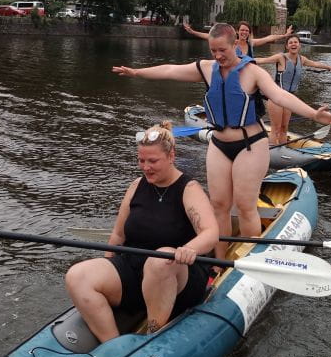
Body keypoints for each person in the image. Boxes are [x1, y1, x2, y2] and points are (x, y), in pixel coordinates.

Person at [113, 23, 331, 259]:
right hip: (219, 144)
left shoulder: (253, 72)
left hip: (250, 144)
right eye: (213, 50)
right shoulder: (206, 68)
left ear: (235, 44)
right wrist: (137, 72)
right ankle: (219, 263)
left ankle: (253, 257)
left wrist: (314, 114)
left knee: (245, 206)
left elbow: (280, 95)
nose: (218, 55)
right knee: (219, 206)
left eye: (222, 49)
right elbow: (171, 70)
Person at [65, 121, 219, 342]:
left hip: (176, 274)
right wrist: (107, 266)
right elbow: (118, 236)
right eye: (141, 160)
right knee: (77, 275)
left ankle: (152, 335)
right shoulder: (136, 185)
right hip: (134, 268)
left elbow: (210, 233)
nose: (146, 167)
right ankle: (113, 345)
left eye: (153, 161)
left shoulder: (189, 189)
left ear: (171, 156)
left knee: (160, 260)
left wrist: (188, 249)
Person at [255, 34, 331, 145]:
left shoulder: (302, 59)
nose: (293, 44)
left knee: (284, 128)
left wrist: (329, 67)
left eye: (295, 42)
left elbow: (315, 64)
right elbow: (261, 60)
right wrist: (241, 60)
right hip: (276, 98)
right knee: (276, 128)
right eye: (291, 43)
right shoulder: (281, 57)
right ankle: (272, 152)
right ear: (287, 46)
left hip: (289, 99)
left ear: (299, 45)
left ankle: (283, 150)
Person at [183, 20, 293, 58]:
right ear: (237, 31)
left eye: (246, 31)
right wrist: (193, 32)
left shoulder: (251, 43)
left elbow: (269, 37)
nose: (244, 32)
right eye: (242, 30)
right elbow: (210, 36)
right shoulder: (232, 43)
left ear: (249, 32)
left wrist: (284, 35)